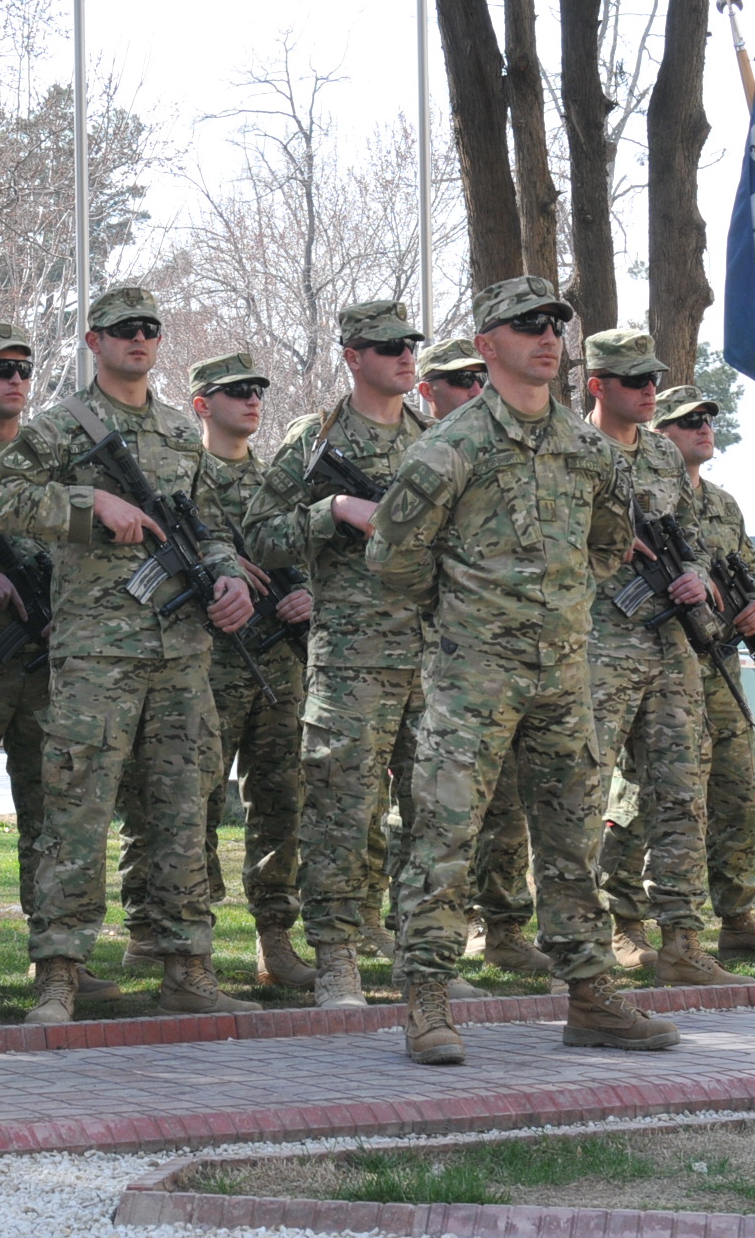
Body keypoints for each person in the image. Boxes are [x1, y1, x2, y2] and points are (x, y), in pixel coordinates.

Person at [369, 276, 678, 1063]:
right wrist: (469, 616)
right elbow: (393, 559)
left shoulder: (587, 450)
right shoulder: (448, 448)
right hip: (471, 678)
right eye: (527, 324)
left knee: (572, 841)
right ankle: (429, 1000)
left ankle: (591, 995)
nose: (548, 336)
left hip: (563, 677)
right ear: (486, 344)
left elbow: (609, 546)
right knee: (443, 838)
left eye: (556, 324)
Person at [0, 283, 259, 1025]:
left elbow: (209, 527)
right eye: (123, 329)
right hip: (97, 653)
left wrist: (227, 578)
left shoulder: (172, 429)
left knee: (181, 813)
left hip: (181, 653)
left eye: (150, 329)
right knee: (76, 810)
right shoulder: (64, 426)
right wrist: (86, 504)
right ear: (94, 341)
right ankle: (60, 974)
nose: (139, 339)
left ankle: (185, 966)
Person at [242, 302, 432, 1008]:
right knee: (340, 816)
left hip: (432, 659)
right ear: (353, 357)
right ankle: (336, 962)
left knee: (433, 817)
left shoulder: (436, 438)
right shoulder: (315, 440)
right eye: (387, 347)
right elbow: (258, 536)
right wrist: (336, 513)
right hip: (350, 659)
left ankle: (424, 959)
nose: (404, 357)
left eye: (409, 344)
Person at [0, 321, 122, 1005]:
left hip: (48, 662)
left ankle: (58, 957)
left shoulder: (49, 456)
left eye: (22, 369)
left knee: (54, 815)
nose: (14, 381)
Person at [579, 328, 744, 988]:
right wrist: (603, 549)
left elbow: (697, 537)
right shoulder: (570, 451)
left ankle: (681, 940)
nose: (649, 392)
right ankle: (587, 939)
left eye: (653, 380)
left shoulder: (663, 457)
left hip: (671, 642)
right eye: (633, 382)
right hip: (599, 641)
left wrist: (696, 576)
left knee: (680, 793)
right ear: (597, 386)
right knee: (584, 793)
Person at [164, 350, 312, 990]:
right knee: (192, 806)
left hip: (279, 661)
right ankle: (186, 945)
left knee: (282, 802)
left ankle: (274, 940)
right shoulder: (178, 477)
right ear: (203, 405)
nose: (252, 400)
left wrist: (313, 594)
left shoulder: (275, 480)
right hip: (206, 661)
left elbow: (310, 548)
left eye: (258, 389)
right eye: (236, 392)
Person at [648, 384, 755, 959]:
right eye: (688, 421)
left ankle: (736, 917)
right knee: (652, 799)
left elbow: (746, 570)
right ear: (661, 435)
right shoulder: (651, 501)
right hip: (663, 667)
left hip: (722, 667)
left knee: (736, 792)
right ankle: (631, 923)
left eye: (708, 418)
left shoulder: (724, 504)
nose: (704, 427)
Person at [412, 340, 549, 979]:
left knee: (524, 815)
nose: (469, 389)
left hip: (525, 661)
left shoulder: (544, 445)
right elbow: (394, 555)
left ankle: (514, 933)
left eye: (475, 379)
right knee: (436, 819)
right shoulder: (440, 449)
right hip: (429, 658)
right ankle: (421, 968)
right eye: (455, 379)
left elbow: (592, 550)